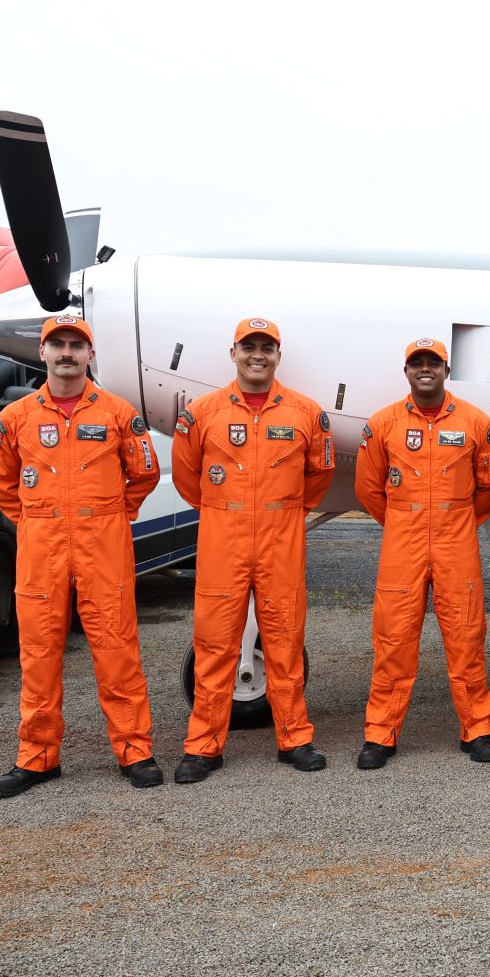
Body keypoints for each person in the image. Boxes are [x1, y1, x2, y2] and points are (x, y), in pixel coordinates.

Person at [0, 313, 163, 797]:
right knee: (38, 652)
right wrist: (35, 519)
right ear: (42, 353)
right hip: (41, 545)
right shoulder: (15, 418)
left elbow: (144, 472)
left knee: (116, 648)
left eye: (76, 345)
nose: (66, 353)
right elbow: (0, 483)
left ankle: (135, 750)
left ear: (90, 355)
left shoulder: (118, 413)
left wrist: (114, 513)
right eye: (57, 344)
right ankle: (37, 757)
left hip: (102, 542)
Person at [171, 318, 336, 783]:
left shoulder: (307, 413)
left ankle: (295, 738)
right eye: (249, 346)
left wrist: (281, 512)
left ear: (278, 355)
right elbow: (188, 479)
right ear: (234, 352)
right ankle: (204, 746)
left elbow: (318, 477)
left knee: (284, 639)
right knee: (215, 642)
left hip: (280, 536)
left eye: (266, 347)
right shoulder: (201, 413)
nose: (257, 355)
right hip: (223, 536)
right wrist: (227, 511)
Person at [353, 337, 490, 769]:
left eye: (433, 363)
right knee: (393, 640)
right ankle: (380, 734)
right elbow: (368, 487)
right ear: (406, 371)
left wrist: (457, 521)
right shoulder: (383, 424)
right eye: (417, 363)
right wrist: (404, 520)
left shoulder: (476, 423)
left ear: (446, 369)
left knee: (466, 637)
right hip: (403, 540)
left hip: (456, 539)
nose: (425, 369)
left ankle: (477, 730)